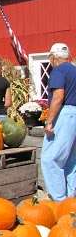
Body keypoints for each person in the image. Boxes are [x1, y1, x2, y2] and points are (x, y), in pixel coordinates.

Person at [41, 43, 76, 201]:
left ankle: (59, 200)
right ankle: (71, 197)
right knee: (71, 159)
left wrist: (49, 121)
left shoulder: (58, 70)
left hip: (65, 114)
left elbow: (58, 97)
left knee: (51, 158)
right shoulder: (74, 70)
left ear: (53, 58)